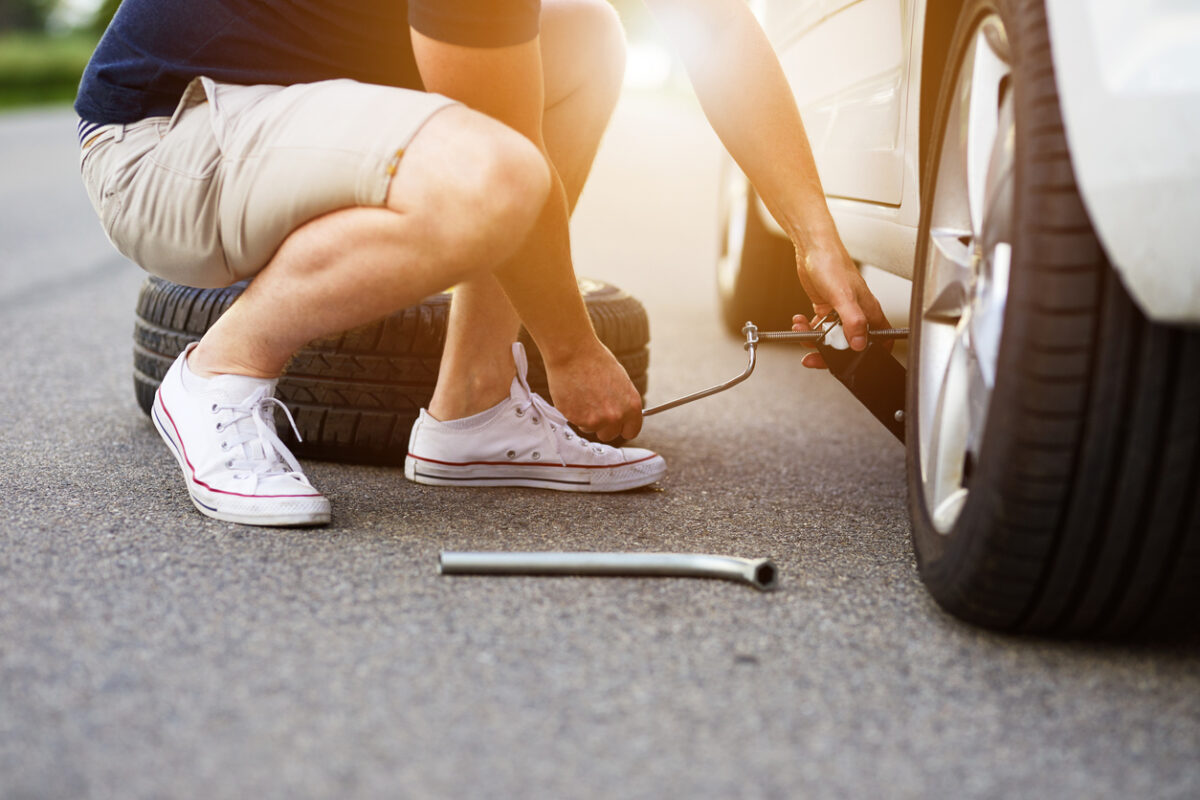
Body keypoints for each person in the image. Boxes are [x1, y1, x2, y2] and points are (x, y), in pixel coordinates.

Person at [75, 0, 888, 528]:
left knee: (589, 39)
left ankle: (475, 407)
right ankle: (218, 372)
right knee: (495, 179)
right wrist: (571, 350)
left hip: (299, 103)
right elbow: (503, 150)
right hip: (168, 138)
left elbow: (713, 29)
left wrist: (814, 238)